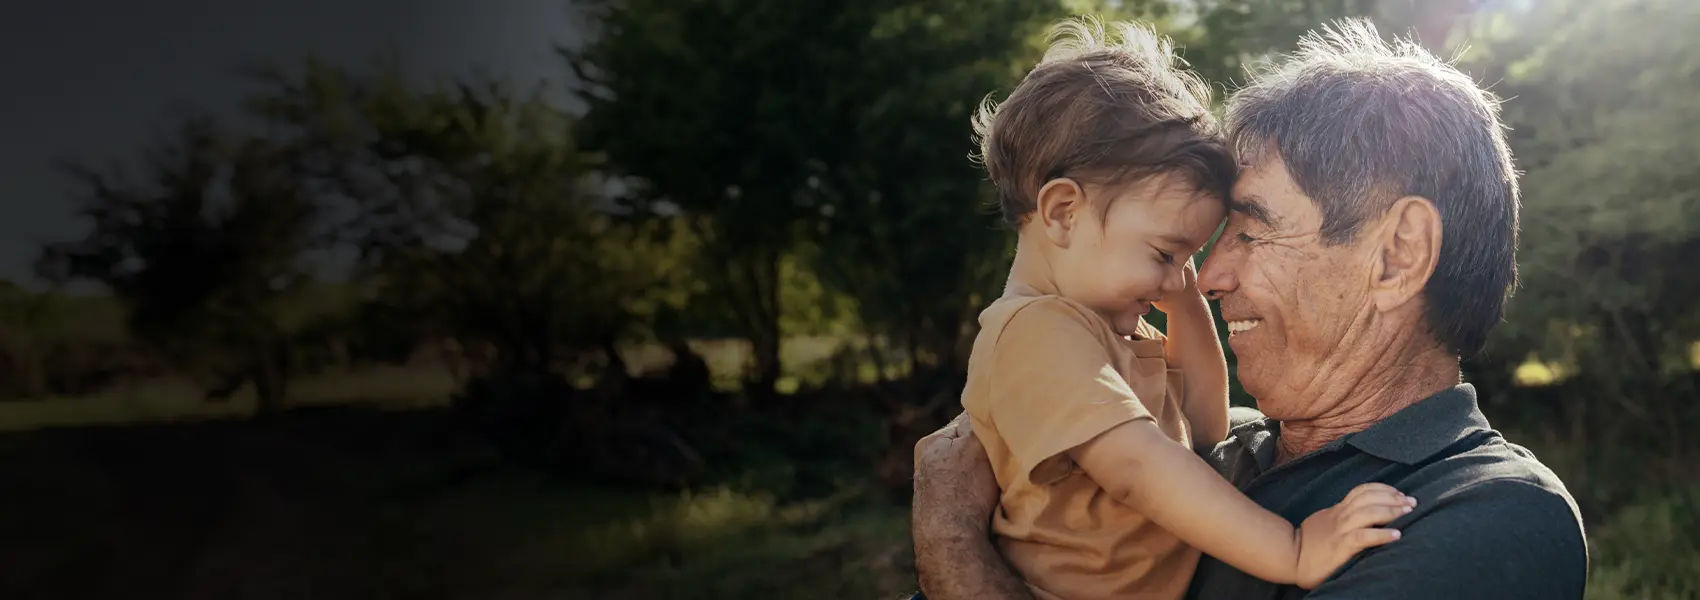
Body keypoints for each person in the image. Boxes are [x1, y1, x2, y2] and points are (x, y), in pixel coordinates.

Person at [910, 18, 1589, 600]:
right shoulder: (1220, 445)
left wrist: (948, 536)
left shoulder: (1490, 515)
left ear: (1397, 255)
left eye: (1251, 229)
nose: (1204, 277)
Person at [953, 17, 1418, 600]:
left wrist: (1187, 312)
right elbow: (1139, 468)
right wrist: (1292, 549)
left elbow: (1205, 427)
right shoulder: (1035, 333)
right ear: (1063, 213)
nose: (1183, 277)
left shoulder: (1107, 333)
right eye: (1165, 253)